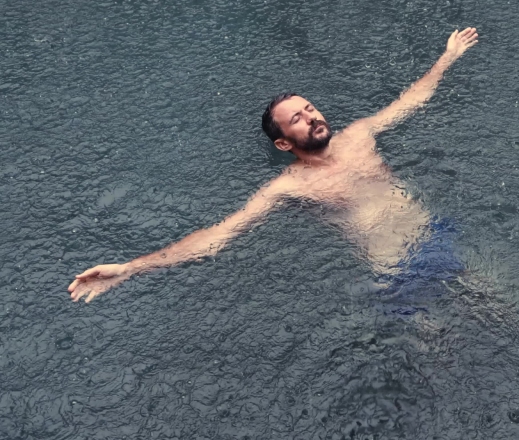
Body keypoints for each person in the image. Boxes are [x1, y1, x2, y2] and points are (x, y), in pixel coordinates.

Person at [69, 27, 480, 303]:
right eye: (297, 118)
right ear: (283, 143)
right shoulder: (290, 186)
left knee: (503, 307)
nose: (312, 116)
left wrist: (447, 57)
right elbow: (218, 236)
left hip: (432, 229)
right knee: (439, 351)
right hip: (395, 265)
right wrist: (131, 268)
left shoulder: (359, 135)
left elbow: (412, 99)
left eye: (310, 108)